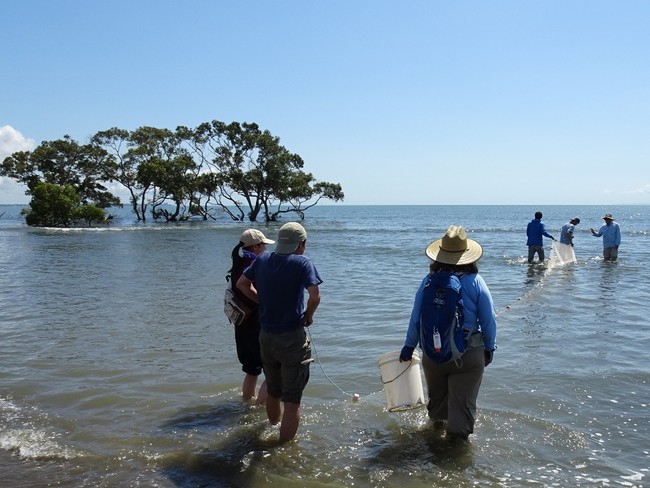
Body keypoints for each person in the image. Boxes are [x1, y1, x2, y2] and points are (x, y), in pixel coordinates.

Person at [399, 225, 497, 440]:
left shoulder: (428, 282)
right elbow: (488, 320)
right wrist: (489, 348)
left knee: (437, 412)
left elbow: (416, 318)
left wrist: (408, 346)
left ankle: (431, 454)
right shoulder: (476, 282)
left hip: (434, 355)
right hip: (468, 356)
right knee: (461, 410)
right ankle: (455, 462)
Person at [237, 222, 322, 443]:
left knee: (273, 391)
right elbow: (314, 295)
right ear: (301, 243)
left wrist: (262, 301)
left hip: (266, 337)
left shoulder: (263, 259)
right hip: (291, 337)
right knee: (292, 400)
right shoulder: (302, 263)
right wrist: (309, 315)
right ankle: (282, 451)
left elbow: (242, 284)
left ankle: (272, 427)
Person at [228, 229, 275, 405]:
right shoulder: (253, 264)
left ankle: (246, 405)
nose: (264, 248)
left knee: (252, 370)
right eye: (263, 245)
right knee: (273, 372)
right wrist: (264, 302)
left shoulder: (237, 262)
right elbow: (245, 286)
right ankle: (257, 410)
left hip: (241, 323)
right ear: (256, 246)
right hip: (256, 323)